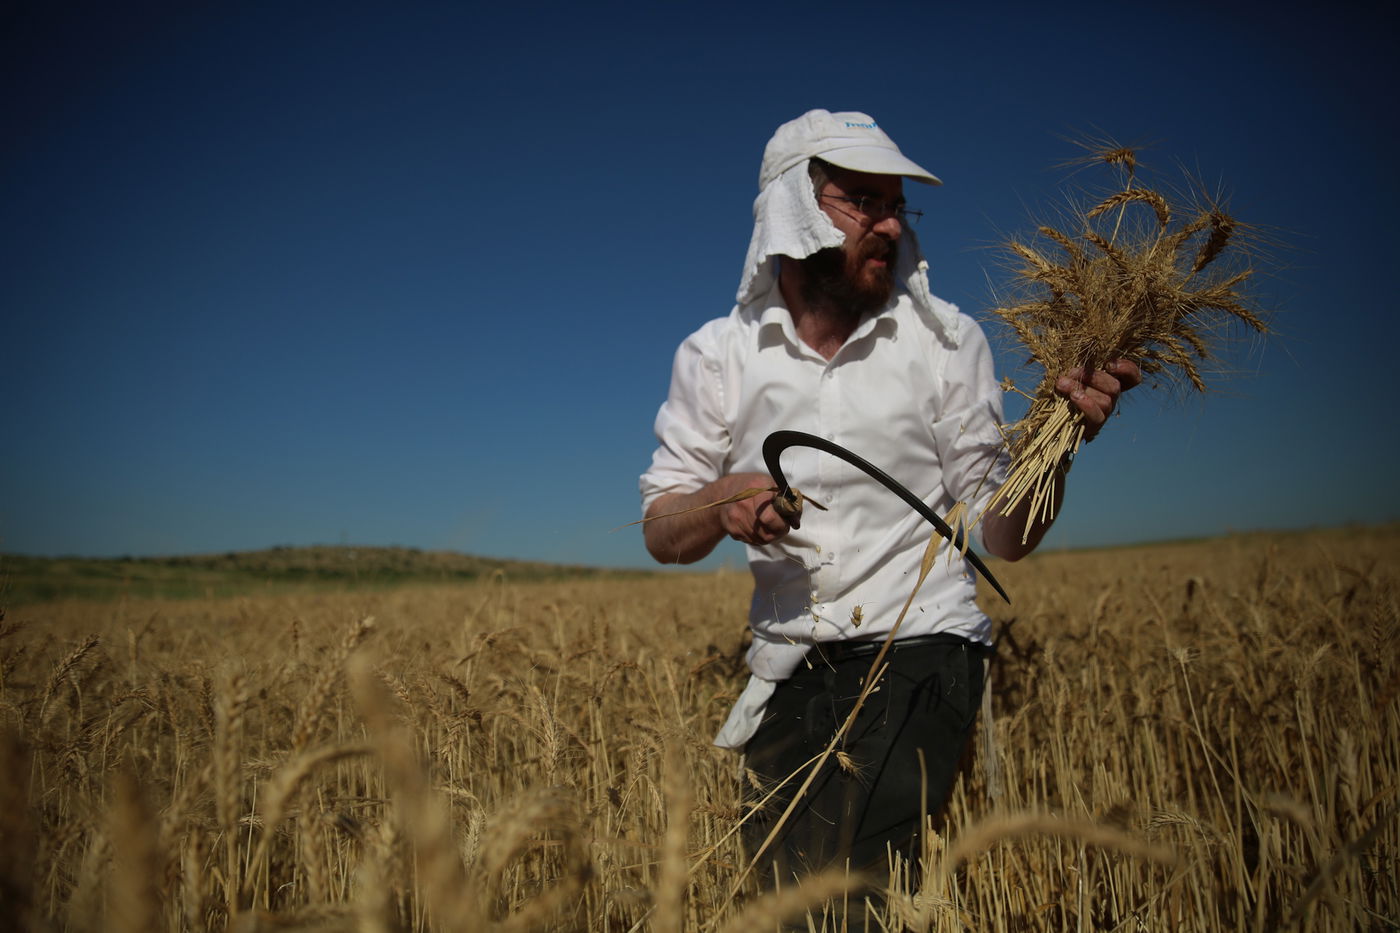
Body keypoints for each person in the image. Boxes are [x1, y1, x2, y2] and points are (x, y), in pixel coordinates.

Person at [639, 110, 1139, 895]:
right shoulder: (715, 356)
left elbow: (1001, 533)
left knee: (853, 897)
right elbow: (661, 531)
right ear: (791, 210)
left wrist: (1055, 447)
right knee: (772, 896)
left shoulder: (946, 343)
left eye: (895, 204)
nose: (888, 224)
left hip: (921, 650)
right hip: (785, 667)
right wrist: (722, 498)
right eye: (861, 201)